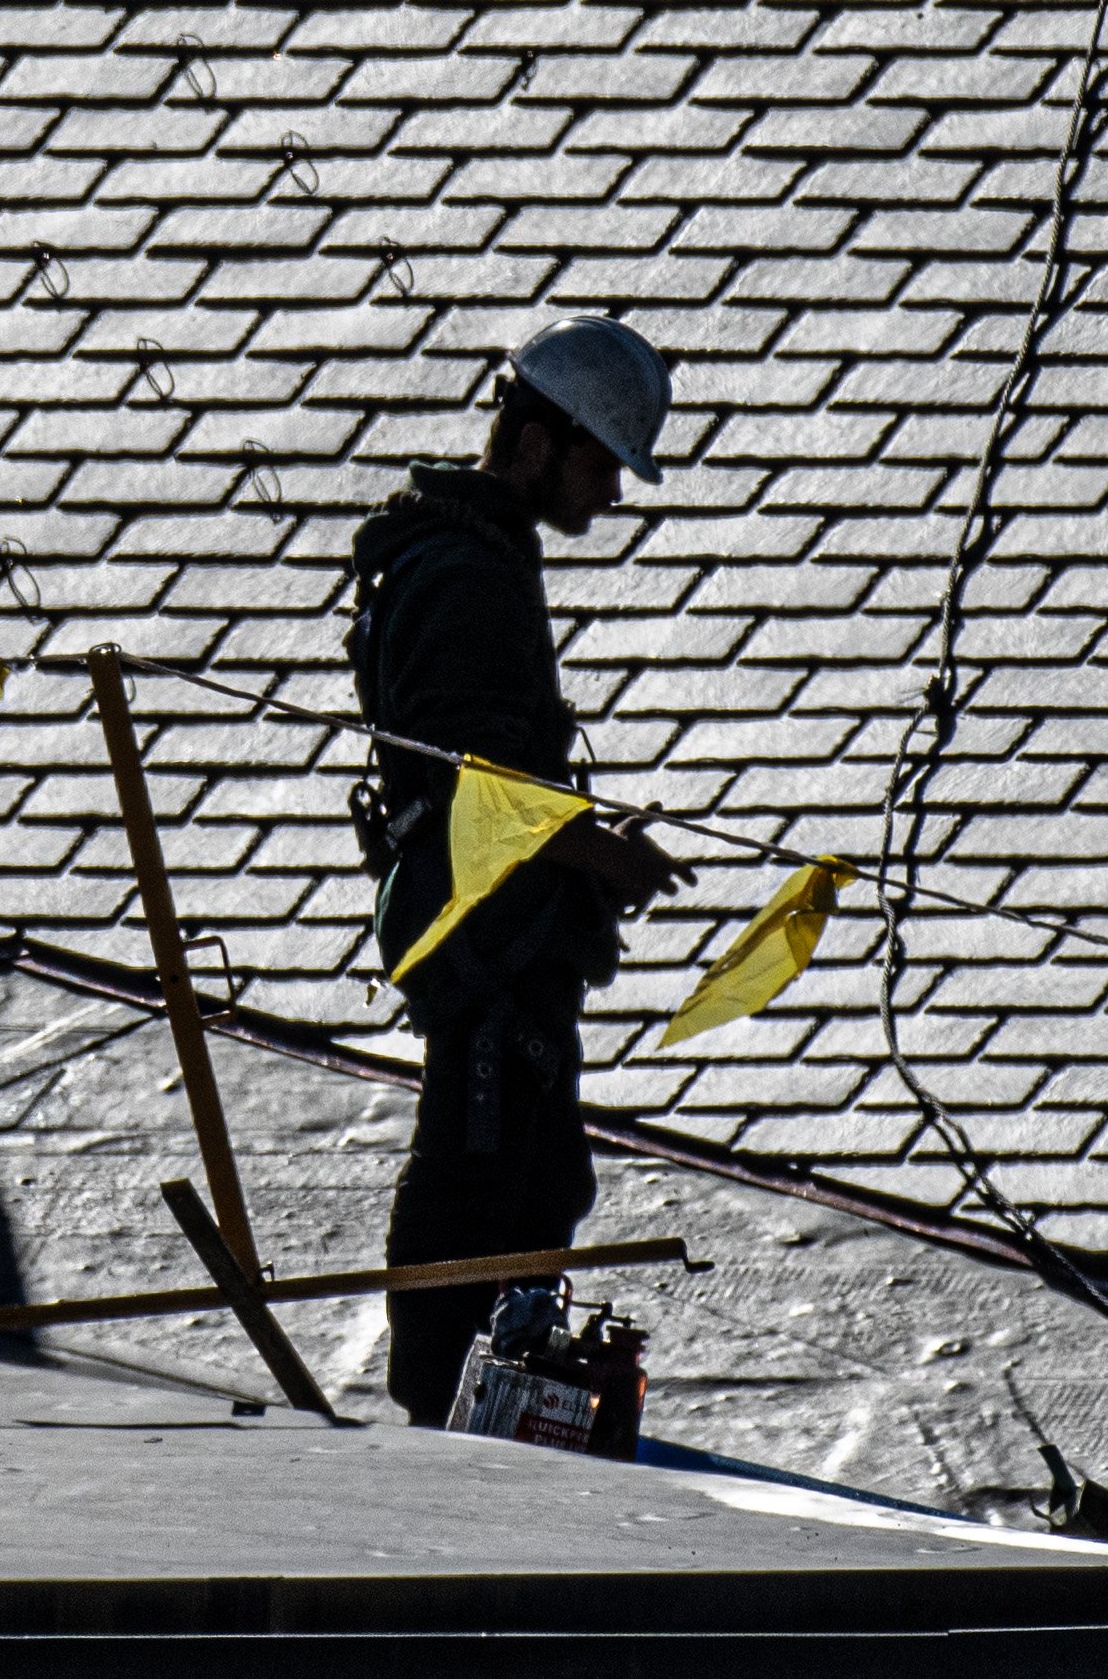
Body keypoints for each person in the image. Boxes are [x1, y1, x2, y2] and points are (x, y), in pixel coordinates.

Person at [344, 314, 686, 1428]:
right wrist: (603, 851)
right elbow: (470, 780)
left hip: (500, 939)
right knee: (481, 1189)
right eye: (600, 464)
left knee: (533, 1185)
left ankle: (476, 1405)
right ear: (535, 444)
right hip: (484, 944)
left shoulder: (471, 556)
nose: (612, 496)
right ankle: (443, 1425)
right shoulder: (465, 573)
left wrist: (585, 839)